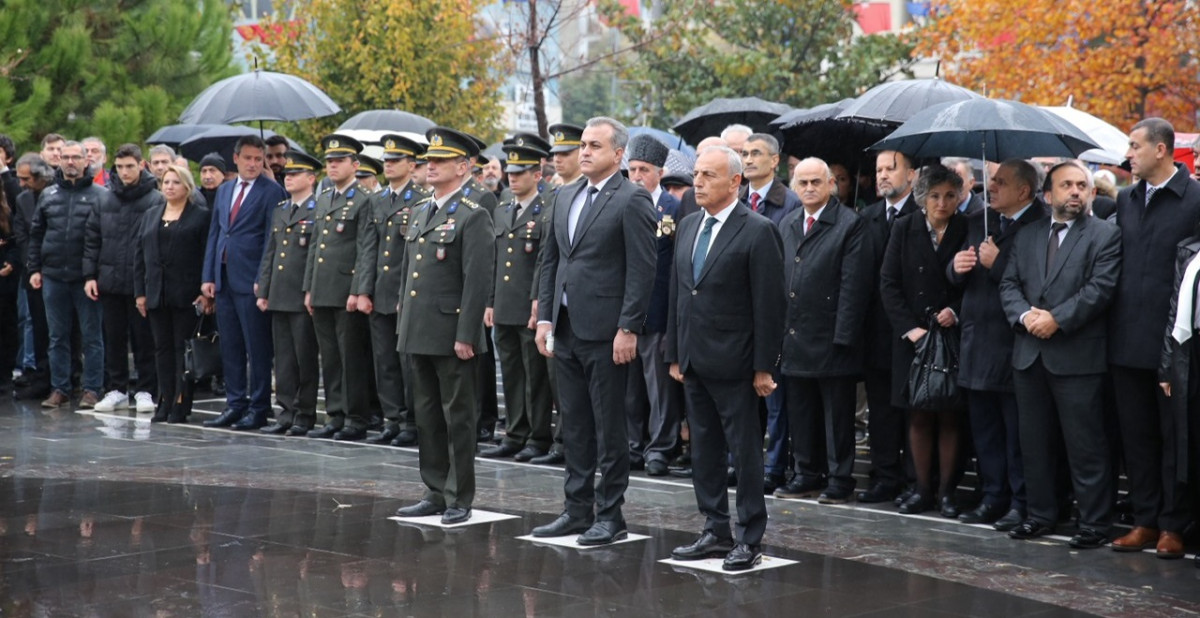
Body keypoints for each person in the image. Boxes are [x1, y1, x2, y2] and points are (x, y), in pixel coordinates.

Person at [531, 116, 657, 545]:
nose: (583, 152)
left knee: (609, 427)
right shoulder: (564, 196)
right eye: (583, 145)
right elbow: (552, 262)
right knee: (575, 424)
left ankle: (610, 514)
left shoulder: (632, 199)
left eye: (594, 146)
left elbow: (643, 270)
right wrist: (545, 317)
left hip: (606, 332)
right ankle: (575, 509)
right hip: (566, 329)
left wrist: (628, 327)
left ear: (618, 154)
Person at [665, 145, 785, 571]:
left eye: (708, 176)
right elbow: (680, 293)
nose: (697, 182)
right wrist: (675, 354)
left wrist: (764, 365)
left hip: (737, 364)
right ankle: (715, 529)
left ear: (735, 181)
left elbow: (768, 305)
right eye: (696, 174)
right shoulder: (689, 224)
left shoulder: (756, 230)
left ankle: (749, 536)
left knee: (745, 452)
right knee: (705, 451)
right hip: (695, 360)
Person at [999, 160, 1121, 550]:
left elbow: (1100, 288)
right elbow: (1009, 284)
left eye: (1082, 186)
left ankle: (1094, 523)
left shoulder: (1105, 235)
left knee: (1085, 446)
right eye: (1066, 185)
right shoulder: (1029, 234)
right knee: (1034, 444)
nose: (1075, 192)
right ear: (1047, 195)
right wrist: (1025, 316)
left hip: (1078, 357)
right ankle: (1040, 515)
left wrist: (1057, 319)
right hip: (1029, 355)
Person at [1108, 118, 1200, 558]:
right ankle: (1144, 520)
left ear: (1161, 150)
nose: (1129, 154)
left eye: (1135, 145)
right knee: (1136, 436)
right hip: (1126, 338)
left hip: (1176, 344)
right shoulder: (1125, 200)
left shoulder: (1196, 199)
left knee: (1173, 438)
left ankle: (1173, 525)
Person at [393, 127, 493, 525]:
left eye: (439, 161)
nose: (429, 166)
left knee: (459, 416)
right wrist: (405, 326)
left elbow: (477, 281)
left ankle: (458, 496)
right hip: (420, 330)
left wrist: (467, 334)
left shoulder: (474, 213)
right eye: (428, 160)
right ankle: (434, 489)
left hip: (453, 333)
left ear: (464, 166)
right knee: (427, 415)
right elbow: (408, 276)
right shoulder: (420, 210)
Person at [948, 159, 1045, 530]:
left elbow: (1037, 283)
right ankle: (992, 496)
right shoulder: (978, 222)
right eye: (991, 181)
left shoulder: (1040, 223)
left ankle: (1021, 502)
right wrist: (955, 267)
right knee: (985, 431)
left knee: (1016, 434)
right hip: (977, 342)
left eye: (1000, 182)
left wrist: (998, 262)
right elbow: (957, 281)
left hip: (1014, 345)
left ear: (1023, 190)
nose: (991, 188)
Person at [775, 158, 870, 504]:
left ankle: (840, 478)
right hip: (795, 334)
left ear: (831, 184)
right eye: (803, 183)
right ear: (794, 186)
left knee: (838, 416)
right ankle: (806, 473)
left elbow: (853, 285)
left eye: (817, 182)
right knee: (801, 411)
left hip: (831, 336)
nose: (810, 188)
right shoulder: (787, 224)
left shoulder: (849, 224)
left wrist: (843, 337)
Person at [879, 163, 968, 517]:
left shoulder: (968, 227)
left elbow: (977, 283)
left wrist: (956, 310)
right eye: (934, 196)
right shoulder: (904, 228)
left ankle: (947, 491)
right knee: (917, 414)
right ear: (922, 198)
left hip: (952, 336)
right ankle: (921, 489)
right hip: (913, 338)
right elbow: (888, 283)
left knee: (949, 414)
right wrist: (910, 328)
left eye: (949, 195)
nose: (942, 203)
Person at [200, 135, 287, 429]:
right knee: (231, 346)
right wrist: (208, 276)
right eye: (248, 158)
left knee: (257, 346)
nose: (253, 164)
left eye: (258, 159)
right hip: (224, 278)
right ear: (236, 159)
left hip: (251, 280)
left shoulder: (271, 191)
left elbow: (270, 239)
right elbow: (217, 232)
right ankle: (235, 403)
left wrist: (263, 280)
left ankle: (259, 406)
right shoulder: (225, 190)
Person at [480, 143, 554, 461]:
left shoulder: (547, 208)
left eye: (520, 172)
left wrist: (538, 301)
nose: (512, 178)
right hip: (506, 304)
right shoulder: (503, 208)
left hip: (529, 305)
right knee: (510, 372)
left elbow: (543, 262)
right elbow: (495, 261)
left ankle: (538, 436)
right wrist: (490, 302)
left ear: (537, 174)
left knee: (534, 375)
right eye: (509, 172)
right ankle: (515, 432)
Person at [302, 134, 377, 441]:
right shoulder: (324, 198)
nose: (332, 166)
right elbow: (316, 247)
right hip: (322, 289)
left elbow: (366, 247)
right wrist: (309, 288)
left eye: (339, 161)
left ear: (354, 164)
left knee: (351, 357)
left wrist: (359, 290)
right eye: (329, 162)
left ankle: (355, 416)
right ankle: (335, 413)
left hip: (347, 289)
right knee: (330, 356)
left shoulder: (364, 199)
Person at [856, 150, 919, 504]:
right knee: (880, 410)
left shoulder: (923, 213)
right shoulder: (867, 217)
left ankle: (915, 478)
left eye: (890, 169)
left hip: (912, 329)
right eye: (878, 170)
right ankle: (884, 476)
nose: (882, 175)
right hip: (877, 331)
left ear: (911, 175)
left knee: (912, 409)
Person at [738, 133, 799, 493]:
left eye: (756, 153)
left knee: (774, 397)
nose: (748, 159)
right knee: (743, 400)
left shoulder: (788, 203)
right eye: (744, 153)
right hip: (738, 312)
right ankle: (743, 463)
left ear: (775, 161)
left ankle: (775, 466)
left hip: (772, 311)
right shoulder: (739, 199)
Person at [620, 135, 683, 477]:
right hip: (626, 314)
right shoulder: (623, 203)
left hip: (658, 312)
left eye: (644, 169)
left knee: (659, 388)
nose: (638, 176)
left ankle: (660, 447)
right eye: (632, 169)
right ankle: (632, 442)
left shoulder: (673, 208)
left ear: (660, 172)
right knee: (630, 388)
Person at [27, 141, 107, 408]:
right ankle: (60, 388)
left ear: (87, 161)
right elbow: (36, 234)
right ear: (59, 160)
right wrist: (34, 269)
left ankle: (92, 389)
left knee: (92, 336)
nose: (71, 162)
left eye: (76, 157)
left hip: (86, 279)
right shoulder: (48, 195)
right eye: (66, 157)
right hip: (53, 276)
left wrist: (94, 275)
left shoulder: (101, 195)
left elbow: (104, 239)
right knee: (57, 336)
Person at [364, 134, 429, 447]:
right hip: (379, 291)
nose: (388, 165)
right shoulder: (376, 200)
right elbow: (368, 249)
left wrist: (409, 294)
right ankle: (392, 417)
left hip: (406, 293)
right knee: (384, 359)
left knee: (408, 362)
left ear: (411, 164)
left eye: (395, 160)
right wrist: (363, 290)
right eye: (386, 160)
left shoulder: (420, 199)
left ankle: (412, 421)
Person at [133, 165, 212, 423]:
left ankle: (180, 401)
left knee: (182, 349)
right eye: (166, 182)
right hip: (156, 293)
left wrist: (206, 290)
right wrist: (140, 293)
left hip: (186, 294)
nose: (169, 187)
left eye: (175, 182)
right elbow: (139, 257)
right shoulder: (151, 214)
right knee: (161, 349)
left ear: (187, 186)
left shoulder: (200, 216)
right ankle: (164, 400)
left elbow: (205, 256)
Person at [255, 151, 323, 436]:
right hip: (280, 292)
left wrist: (310, 290)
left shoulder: (318, 209)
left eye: (295, 174)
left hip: (300, 292)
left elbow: (316, 255)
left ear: (311, 178)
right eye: (287, 175)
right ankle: (286, 411)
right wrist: (264, 286)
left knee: (304, 355)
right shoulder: (282, 209)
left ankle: (304, 413)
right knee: (283, 356)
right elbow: (271, 251)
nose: (288, 178)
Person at [93, 144, 161, 414]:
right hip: (110, 279)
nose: (124, 172)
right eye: (119, 167)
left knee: (144, 339)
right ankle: (116, 389)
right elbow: (92, 238)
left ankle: (146, 389)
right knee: (114, 337)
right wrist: (90, 275)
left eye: (130, 166)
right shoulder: (105, 198)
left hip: (139, 282)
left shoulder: (155, 199)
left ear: (141, 165)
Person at [12, 154, 53, 400]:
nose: (22, 183)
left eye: (26, 179)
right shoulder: (23, 199)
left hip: (58, 270)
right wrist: (33, 266)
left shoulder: (55, 194)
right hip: (33, 271)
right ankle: (40, 375)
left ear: (40, 176)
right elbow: (22, 237)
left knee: (61, 331)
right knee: (36, 326)